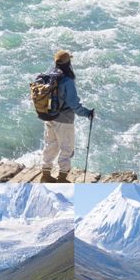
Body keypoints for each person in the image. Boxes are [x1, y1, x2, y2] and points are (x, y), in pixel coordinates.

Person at [40, 50, 94, 183]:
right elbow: (73, 104)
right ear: (68, 63)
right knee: (66, 148)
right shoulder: (67, 81)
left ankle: (45, 175)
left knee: (50, 145)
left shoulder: (48, 77)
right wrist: (87, 113)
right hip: (64, 120)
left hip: (49, 116)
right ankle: (62, 178)